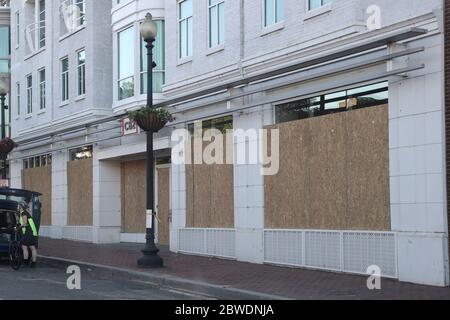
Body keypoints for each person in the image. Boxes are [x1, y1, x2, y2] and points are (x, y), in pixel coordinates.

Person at [18, 201, 38, 268]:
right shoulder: (25, 213)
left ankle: (26, 262)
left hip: (28, 232)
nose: (17, 206)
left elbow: (25, 223)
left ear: (21, 206)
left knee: (26, 247)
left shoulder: (24, 213)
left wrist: (18, 227)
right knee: (30, 247)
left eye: (18, 205)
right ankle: (32, 263)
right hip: (32, 232)